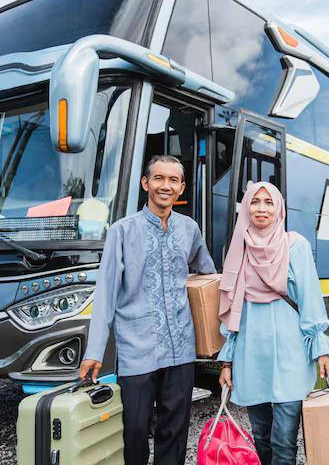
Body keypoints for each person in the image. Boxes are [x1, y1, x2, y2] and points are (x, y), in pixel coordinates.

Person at [79, 155, 216, 465]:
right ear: (146, 184)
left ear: (181, 187)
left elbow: (207, 273)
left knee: (175, 429)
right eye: (158, 179)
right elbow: (106, 294)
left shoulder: (189, 229)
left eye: (172, 180)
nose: (165, 186)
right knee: (135, 430)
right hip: (137, 349)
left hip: (181, 349)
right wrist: (94, 351)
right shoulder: (122, 231)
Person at [217, 182, 329, 465]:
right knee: (260, 435)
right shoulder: (239, 248)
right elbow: (234, 309)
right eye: (254, 202)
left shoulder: (296, 245)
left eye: (269, 202)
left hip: (290, 353)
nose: (261, 208)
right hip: (250, 353)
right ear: (245, 208)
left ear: (279, 208)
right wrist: (227, 361)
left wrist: (320, 348)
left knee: (283, 438)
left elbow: (309, 297)